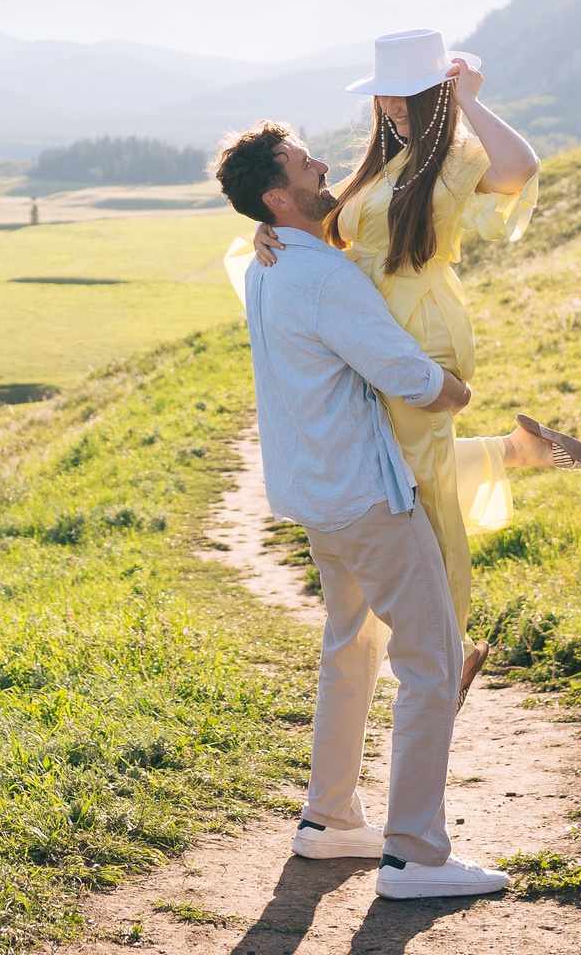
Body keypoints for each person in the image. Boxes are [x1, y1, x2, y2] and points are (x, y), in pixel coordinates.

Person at [245, 31, 581, 699]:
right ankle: (517, 453)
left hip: (419, 331)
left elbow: (521, 169)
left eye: (411, 95)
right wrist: (271, 229)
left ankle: (451, 642)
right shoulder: (386, 161)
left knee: (420, 489)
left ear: (438, 92)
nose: (396, 107)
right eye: (388, 94)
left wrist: (468, 101)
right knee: (402, 467)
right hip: (372, 330)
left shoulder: (456, 158)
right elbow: (333, 226)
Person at [210, 120, 512, 899]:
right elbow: (402, 372)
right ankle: (415, 854)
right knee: (432, 661)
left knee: (351, 649)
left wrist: (268, 231)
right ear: (279, 196)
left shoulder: (269, 264)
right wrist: (456, 391)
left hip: (319, 500)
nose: (323, 167)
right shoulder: (319, 275)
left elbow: (283, 240)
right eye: (305, 164)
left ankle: (330, 820)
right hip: (368, 498)